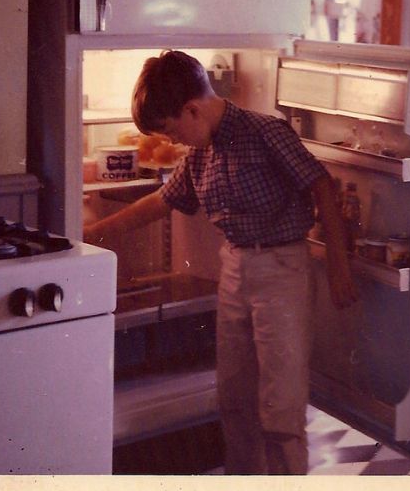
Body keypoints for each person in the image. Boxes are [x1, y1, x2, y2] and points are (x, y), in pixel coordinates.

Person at [85, 50, 358, 474]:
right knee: (235, 401)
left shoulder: (266, 131)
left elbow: (320, 184)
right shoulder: (201, 153)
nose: (173, 141)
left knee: (280, 406)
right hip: (235, 269)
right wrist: (91, 236)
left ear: (192, 109)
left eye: (172, 130)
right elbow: (162, 200)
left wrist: (339, 269)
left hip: (282, 269)